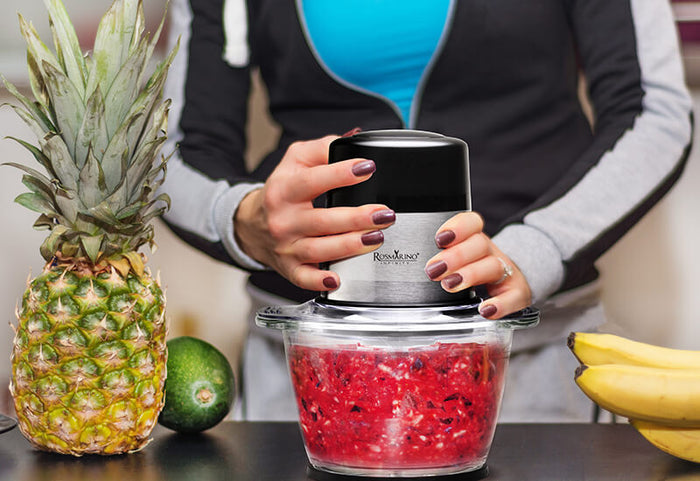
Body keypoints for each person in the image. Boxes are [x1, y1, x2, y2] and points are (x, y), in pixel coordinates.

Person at [159, 0, 694, 421]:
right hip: (311, 361)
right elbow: (175, 150)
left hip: (526, 358)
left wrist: (535, 250)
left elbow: (653, 112)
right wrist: (243, 219)